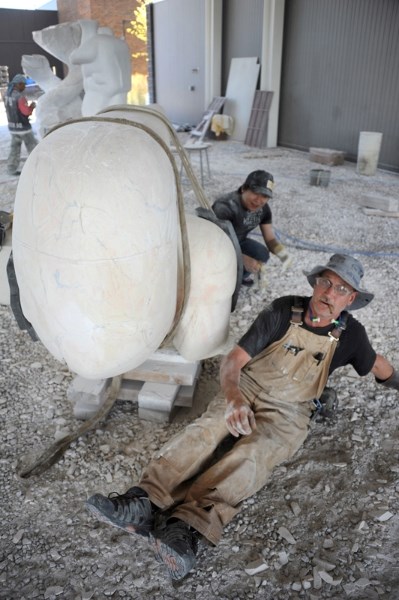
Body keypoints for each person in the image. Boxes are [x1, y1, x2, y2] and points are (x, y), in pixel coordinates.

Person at [85, 254, 398, 581]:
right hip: (248, 385)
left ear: (350, 299)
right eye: (326, 283)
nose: (330, 294)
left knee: (254, 455)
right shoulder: (282, 311)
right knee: (207, 429)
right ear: (315, 283)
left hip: (291, 410)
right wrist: (234, 399)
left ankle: (187, 527)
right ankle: (144, 501)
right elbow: (234, 360)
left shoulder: (351, 336)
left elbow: (378, 365)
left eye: (341, 289)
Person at [212, 170, 292, 287]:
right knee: (223, 261)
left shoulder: (263, 209)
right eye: (256, 192)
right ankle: (221, 280)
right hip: (218, 245)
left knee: (261, 253)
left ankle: (238, 278)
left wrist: (282, 254)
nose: (259, 200)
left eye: (265, 196)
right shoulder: (225, 207)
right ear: (244, 188)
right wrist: (243, 259)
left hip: (239, 241)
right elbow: (215, 244)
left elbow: (270, 239)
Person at [4, 74, 38, 176]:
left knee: (14, 149)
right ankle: (38, 165)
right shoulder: (20, 97)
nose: (24, 87)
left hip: (13, 127)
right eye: (23, 84)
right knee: (33, 148)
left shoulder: (7, 94)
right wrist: (31, 107)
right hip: (24, 128)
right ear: (18, 84)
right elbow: (26, 112)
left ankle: (11, 168)